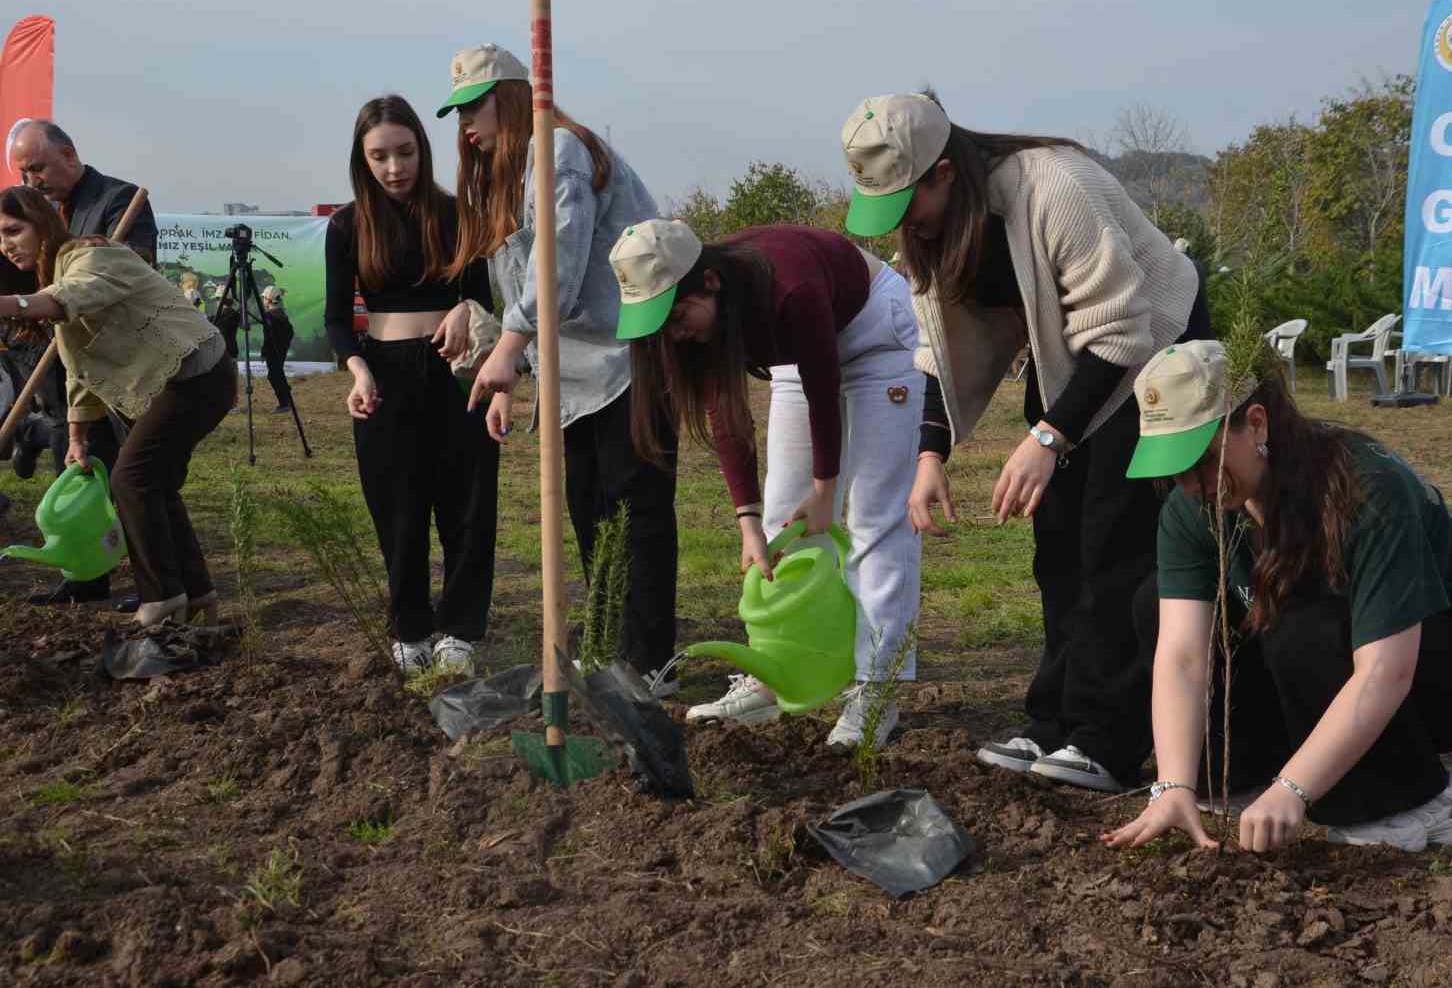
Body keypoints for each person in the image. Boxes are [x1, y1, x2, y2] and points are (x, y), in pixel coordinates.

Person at [840, 92, 1202, 789]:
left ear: (945, 172)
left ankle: (1108, 740)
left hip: (1153, 349)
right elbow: (934, 353)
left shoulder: (1058, 188)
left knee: (1112, 546)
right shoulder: (939, 227)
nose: (904, 225)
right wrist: (928, 455)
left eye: (906, 202)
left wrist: (1048, 434)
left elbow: (1123, 328)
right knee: (1057, 550)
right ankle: (1053, 722)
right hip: (1072, 354)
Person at [1103, 341, 1452, 852]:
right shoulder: (1194, 504)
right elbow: (1182, 653)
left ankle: (1409, 801)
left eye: (1204, 458)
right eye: (1172, 466)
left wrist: (1294, 789)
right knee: (1156, 602)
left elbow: (1384, 669)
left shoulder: (1366, 489)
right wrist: (1174, 784)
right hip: (1329, 645)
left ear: (1256, 424)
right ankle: (1245, 778)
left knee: (1302, 626)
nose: (1191, 483)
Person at [612, 219, 923, 748]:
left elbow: (824, 385)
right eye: (660, 324)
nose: (675, 333)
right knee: (784, 516)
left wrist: (826, 488)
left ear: (709, 282)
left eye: (678, 316)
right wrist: (747, 521)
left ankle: (877, 689)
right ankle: (773, 675)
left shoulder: (788, 287)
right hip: (797, 355)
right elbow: (726, 413)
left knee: (874, 516)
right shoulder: (712, 315)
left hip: (875, 336)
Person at [443, 43, 680, 692]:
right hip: (570, 373)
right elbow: (518, 280)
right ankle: (607, 648)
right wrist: (511, 376)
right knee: (588, 510)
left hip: (629, 355)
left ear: (513, 97)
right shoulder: (507, 177)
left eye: (475, 104)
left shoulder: (559, 150)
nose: (465, 122)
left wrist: (506, 350)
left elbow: (559, 266)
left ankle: (649, 664)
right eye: (457, 109)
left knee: (636, 512)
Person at [0, 186, 232, 628]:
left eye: (13, 230)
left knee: (132, 480)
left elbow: (67, 298)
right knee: (154, 484)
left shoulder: (92, 258)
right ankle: (197, 595)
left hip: (197, 372)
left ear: (42, 225)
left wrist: (11, 305)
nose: (6, 245)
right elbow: (77, 365)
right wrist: (76, 436)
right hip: (178, 380)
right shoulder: (57, 273)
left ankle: (162, 599)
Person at [325, 95, 500, 677]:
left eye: (405, 152)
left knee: (467, 504)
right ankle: (411, 625)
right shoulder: (347, 225)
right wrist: (358, 369)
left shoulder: (459, 214)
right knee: (397, 509)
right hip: (383, 378)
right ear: (362, 159)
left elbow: (488, 302)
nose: (395, 168)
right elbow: (333, 320)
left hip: (456, 374)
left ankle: (461, 629)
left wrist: (467, 307)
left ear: (423, 150)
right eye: (380, 156)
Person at [8, 119, 156, 607]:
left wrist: (77, 285)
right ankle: (85, 574)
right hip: (51, 358)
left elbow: (136, 264)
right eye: (24, 174)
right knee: (69, 460)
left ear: (68, 154)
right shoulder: (33, 210)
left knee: (126, 474)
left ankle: (152, 579)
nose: (33, 182)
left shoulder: (118, 199)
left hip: (110, 361)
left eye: (38, 168)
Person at [260, 285, 295, 413]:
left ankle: (284, 403)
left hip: (273, 352)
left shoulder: (269, 316)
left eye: (264, 298)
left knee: (274, 376)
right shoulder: (282, 314)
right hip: (281, 350)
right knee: (278, 374)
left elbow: (267, 338)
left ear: (269, 300)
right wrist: (284, 345)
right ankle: (288, 400)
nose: (263, 301)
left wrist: (264, 352)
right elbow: (290, 332)